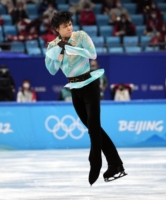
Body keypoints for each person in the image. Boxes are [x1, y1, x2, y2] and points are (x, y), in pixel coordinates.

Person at [45, 11, 126, 186]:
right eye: (65, 25)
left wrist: (70, 48)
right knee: (92, 127)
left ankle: (95, 161)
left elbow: (93, 54)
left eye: (70, 24)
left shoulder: (81, 36)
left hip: (89, 85)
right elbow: (51, 70)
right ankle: (116, 164)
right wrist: (59, 52)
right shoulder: (53, 46)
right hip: (74, 89)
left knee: (94, 127)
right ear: (57, 29)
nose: (69, 27)